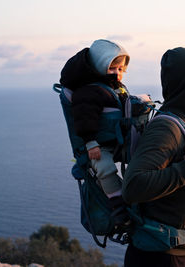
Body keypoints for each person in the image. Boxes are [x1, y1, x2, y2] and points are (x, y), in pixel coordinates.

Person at [122, 47, 185, 267]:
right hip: (157, 257)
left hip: (170, 253)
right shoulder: (167, 128)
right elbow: (133, 186)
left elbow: (184, 197)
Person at [59, 39, 130, 226]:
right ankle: (118, 203)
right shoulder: (89, 92)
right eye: (112, 68)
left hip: (114, 139)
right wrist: (90, 143)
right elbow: (83, 119)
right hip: (97, 145)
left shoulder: (110, 87)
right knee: (104, 167)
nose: (117, 73)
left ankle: (135, 190)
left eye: (121, 69)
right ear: (100, 65)